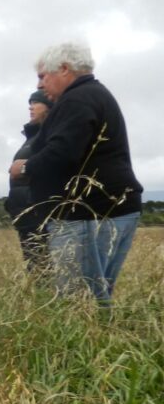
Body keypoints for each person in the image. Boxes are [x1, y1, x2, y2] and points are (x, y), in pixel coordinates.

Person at [9, 43, 143, 303]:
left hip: (88, 215)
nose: (39, 85)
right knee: (94, 298)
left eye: (42, 76)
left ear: (64, 69)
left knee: (79, 302)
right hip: (106, 211)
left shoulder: (77, 98)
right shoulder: (91, 95)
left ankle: (93, 339)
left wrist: (24, 167)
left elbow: (62, 152)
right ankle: (102, 338)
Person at [4, 90, 53, 273]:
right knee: (34, 267)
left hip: (38, 212)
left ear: (50, 107)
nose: (31, 107)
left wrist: (25, 167)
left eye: (36, 103)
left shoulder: (50, 135)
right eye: (30, 103)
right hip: (25, 213)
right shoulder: (33, 137)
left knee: (42, 267)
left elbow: (52, 164)